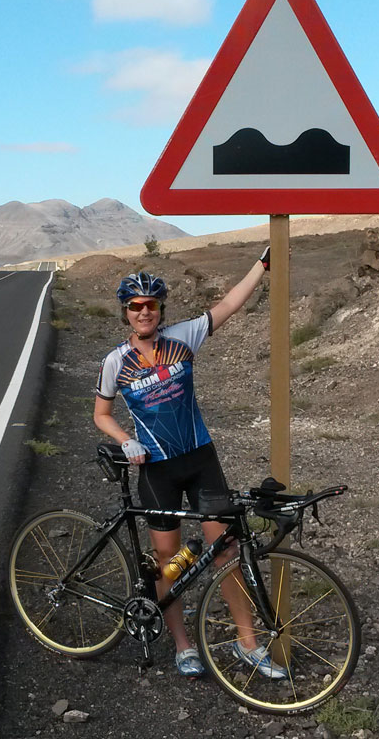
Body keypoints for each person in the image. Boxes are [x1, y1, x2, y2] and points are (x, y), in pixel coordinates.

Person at [94, 248, 287, 679]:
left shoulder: (184, 337)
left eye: (151, 305)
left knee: (227, 553)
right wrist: (126, 441)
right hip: (157, 469)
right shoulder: (115, 362)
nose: (144, 312)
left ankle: (247, 643)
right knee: (170, 563)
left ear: (161, 309)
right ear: (126, 312)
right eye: (135, 306)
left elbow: (230, 303)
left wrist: (263, 264)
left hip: (201, 460)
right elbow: (101, 414)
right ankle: (183, 645)